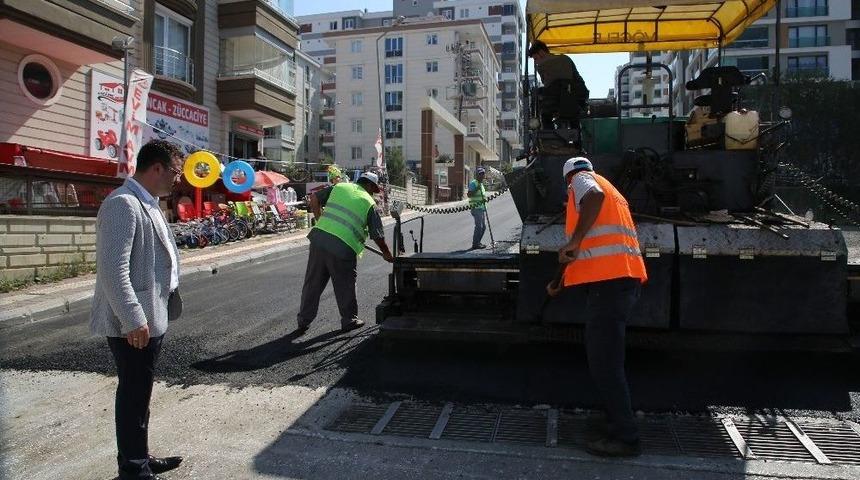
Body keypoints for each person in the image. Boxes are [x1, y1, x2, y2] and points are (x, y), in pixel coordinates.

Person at [90, 140, 186, 479]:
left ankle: (139, 456)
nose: (179, 179)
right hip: (134, 322)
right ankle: (133, 468)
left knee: (140, 392)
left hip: (150, 316)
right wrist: (133, 318)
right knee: (133, 394)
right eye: (176, 172)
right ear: (156, 168)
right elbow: (113, 270)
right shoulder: (123, 204)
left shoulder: (148, 203)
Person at [547, 157, 647, 458]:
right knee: (608, 360)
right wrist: (559, 282)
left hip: (610, 286)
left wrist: (575, 238)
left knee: (605, 364)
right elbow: (586, 248)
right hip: (622, 282)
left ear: (568, 180)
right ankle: (617, 420)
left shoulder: (581, 182)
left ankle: (627, 438)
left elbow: (593, 197)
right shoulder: (614, 190)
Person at [295, 172, 394, 336]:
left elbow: (314, 199)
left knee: (312, 282)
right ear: (369, 185)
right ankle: (349, 320)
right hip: (343, 247)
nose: (372, 193)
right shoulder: (369, 203)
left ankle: (303, 320)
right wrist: (387, 254)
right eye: (373, 189)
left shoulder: (340, 187)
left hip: (319, 240)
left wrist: (320, 221)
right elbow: (377, 235)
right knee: (345, 284)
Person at [527, 40, 589, 128]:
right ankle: (577, 137)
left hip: (561, 100)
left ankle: (548, 133)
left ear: (541, 53)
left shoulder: (543, 66)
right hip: (577, 100)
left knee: (544, 113)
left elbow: (548, 85)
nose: (536, 62)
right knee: (574, 119)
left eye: (536, 58)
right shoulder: (565, 58)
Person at [467, 167, 488, 250]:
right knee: (479, 226)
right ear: (477, 175)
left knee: (483, 227)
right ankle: (475, 244)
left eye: (483, 174)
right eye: (480, 174)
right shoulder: (473, 183)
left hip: (482, 208)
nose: (482, 175)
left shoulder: (482, 184)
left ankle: (477, 242)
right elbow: (469, 194)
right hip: (476, 208)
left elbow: (482, 195)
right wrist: (476, 189)